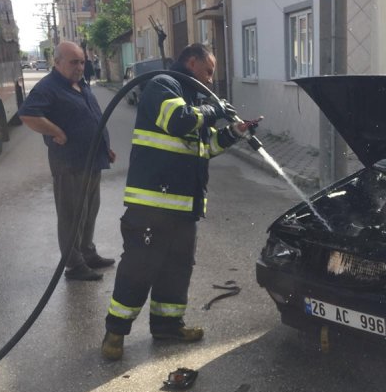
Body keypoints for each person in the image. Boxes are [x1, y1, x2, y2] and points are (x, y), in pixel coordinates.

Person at [100, 43, 261, 361]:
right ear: (190, 61)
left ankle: (167, 326)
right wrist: (216, 110)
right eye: (208, 71)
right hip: (152, 206)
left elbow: (204, 149)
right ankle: (115, 333)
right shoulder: (163, 86)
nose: (211, 81)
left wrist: (233, 132)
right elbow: (179, 121)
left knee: (176, 270)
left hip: (184, 208)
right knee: (139, 268)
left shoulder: (192, 99)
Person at [19, 41, 116, 281]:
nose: (80, 67)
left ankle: (87, 253)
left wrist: (106, 147)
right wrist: (55, 131)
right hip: (69, 162)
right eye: (74, 62)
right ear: (57, 62)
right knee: (72, 215)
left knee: (89, 211)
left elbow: (91, 117)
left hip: (92, 160)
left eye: (82, 61)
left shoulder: (80, 84)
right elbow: (28, 114)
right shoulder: (49, 87)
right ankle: (74, 265)